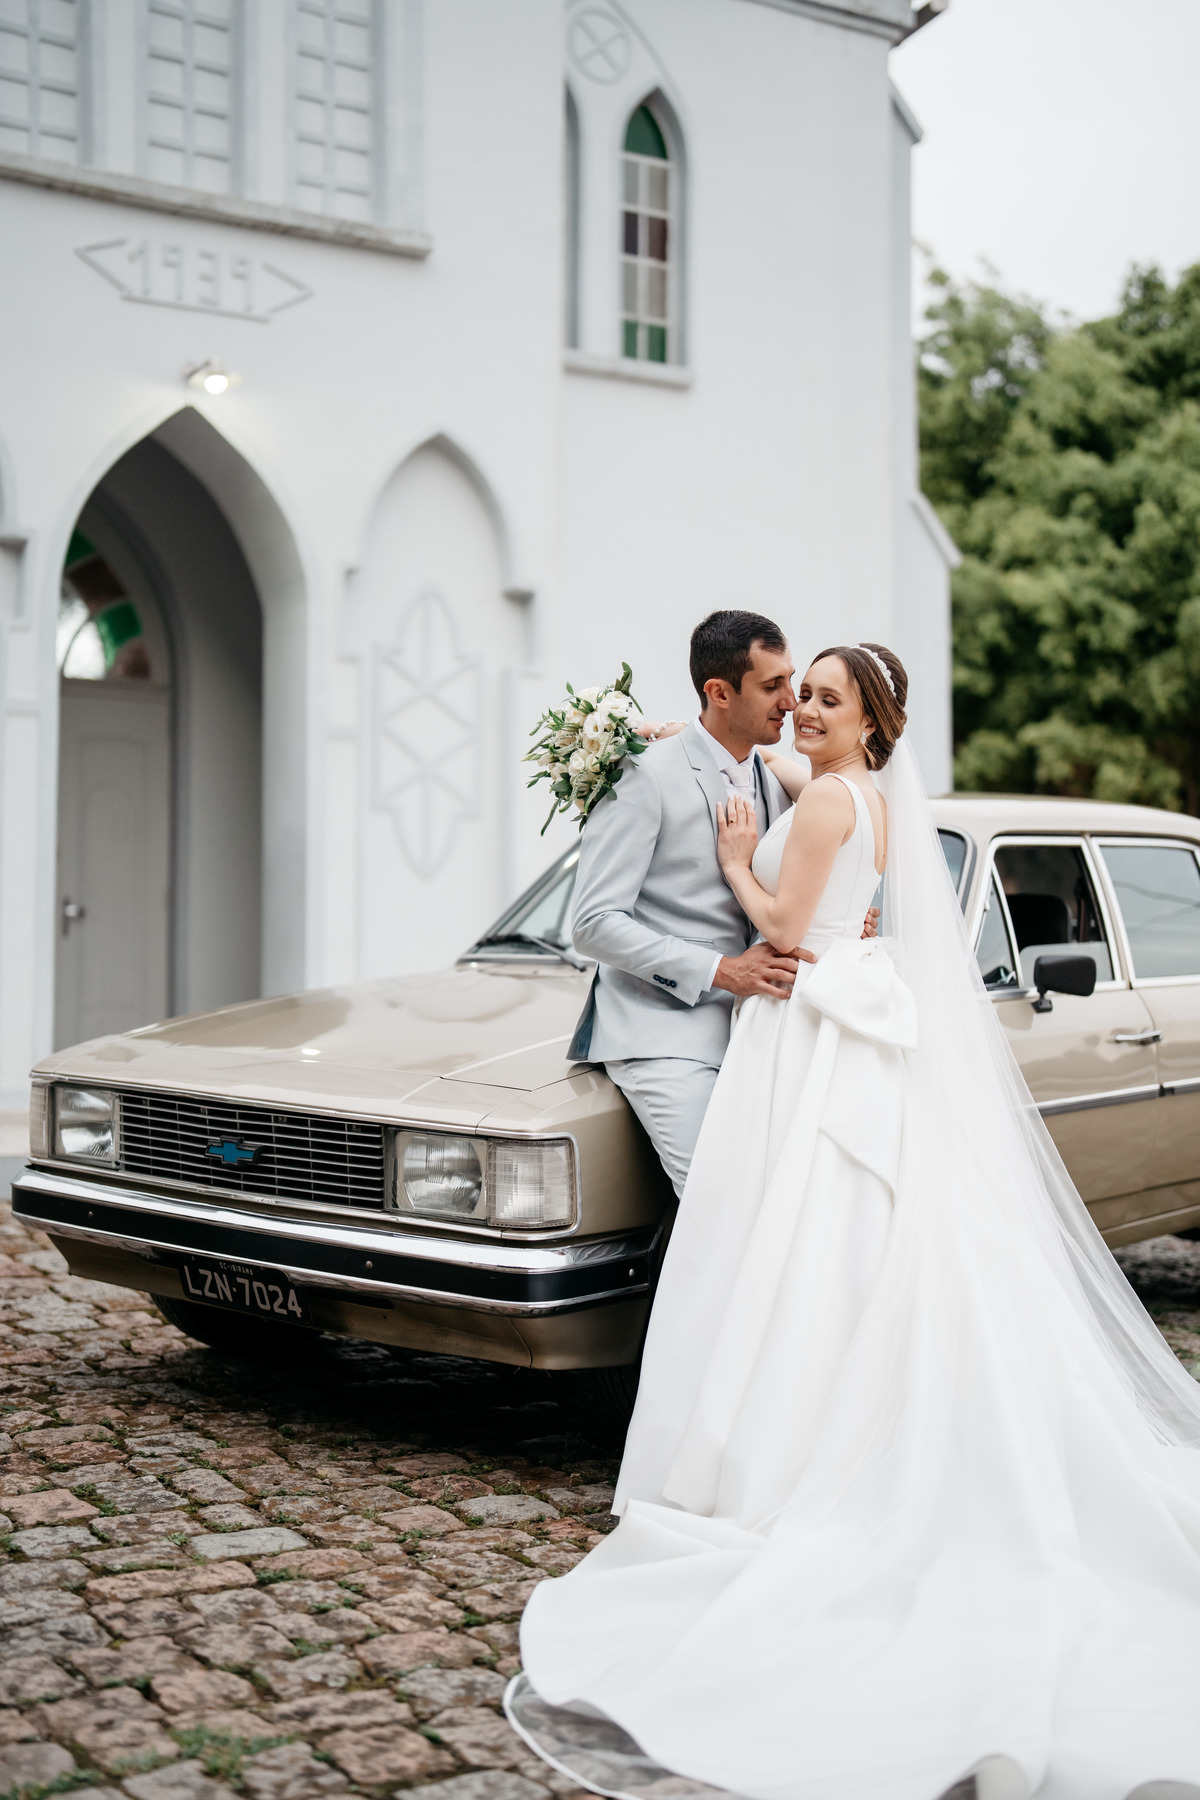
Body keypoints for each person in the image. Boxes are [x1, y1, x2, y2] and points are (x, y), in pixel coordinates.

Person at [508, 643, 1200, 1800]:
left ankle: (789, 1445)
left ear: (870, 719)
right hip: (830, 1020)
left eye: (826, 699)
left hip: (799, 1014)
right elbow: (788, 779)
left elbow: (784, 922)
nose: (803, 711)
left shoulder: (832, 798)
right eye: (799, 694)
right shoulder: (857, 789)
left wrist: (738, 863)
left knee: (790, 1233)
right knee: (826, 1235)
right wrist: (679, 742)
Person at [567, 609, 875, 1199]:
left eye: (792, 680)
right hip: (665, 1037)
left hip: (761, 1036)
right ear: (720, 692)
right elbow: (593, 923)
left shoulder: (778, 780)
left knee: (792, 1202)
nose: (792, 702)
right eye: (773, 685)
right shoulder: (642, 776)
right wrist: (723, 971)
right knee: (722, 1204)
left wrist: (841, 918)